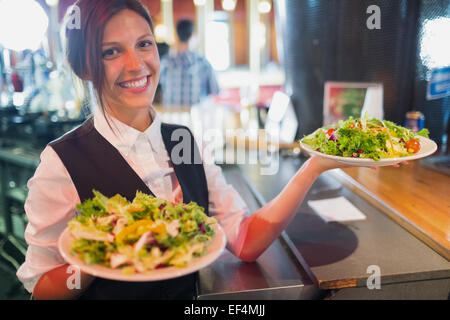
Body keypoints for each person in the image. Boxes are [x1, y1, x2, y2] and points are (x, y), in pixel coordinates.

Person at [16, 0, 405, 300]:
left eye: (144, 44)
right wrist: (100, 251)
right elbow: (40, 290)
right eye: (110, 52)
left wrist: (316, 164)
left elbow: (245, 240)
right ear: (85, 66)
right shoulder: (62, 162)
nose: (136, 65)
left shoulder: (183, 139)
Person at [158, 19, 219, 107]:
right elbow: (215, 90)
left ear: (176, 36)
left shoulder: (164, 63)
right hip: (196, 118)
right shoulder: (203, 63)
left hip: (171, 118)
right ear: (192, 35)